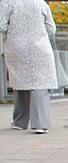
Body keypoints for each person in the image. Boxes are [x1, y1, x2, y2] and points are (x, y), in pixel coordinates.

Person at [0, 0, 58, 134]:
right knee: (40, 84)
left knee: (20, 83)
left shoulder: (8, 2)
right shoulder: (41, 4)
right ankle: (40, 124)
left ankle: (20, 122)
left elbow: (2, 26)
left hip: (16, 48)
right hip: (40, 48)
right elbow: (51, 29)